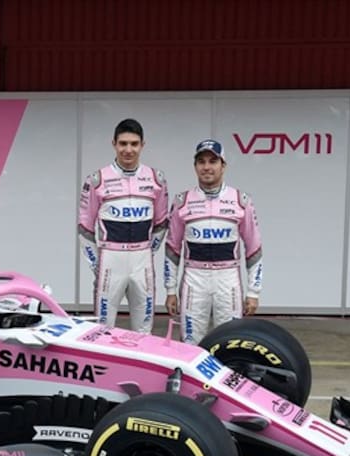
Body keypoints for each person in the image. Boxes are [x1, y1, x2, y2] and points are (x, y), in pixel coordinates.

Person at [164, 138, 263, 344]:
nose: (207, 167)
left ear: (223, 165)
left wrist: (253, 292)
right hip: (194, 279)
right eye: (201, 162)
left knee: (231, 340)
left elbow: (253, 249)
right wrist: (171, 290)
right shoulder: (182, 201)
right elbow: (172, 249)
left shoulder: (240, 201)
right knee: (191, 342)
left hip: (228, 279)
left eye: (213, 161)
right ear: (195, 166)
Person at [77, 118, 169, 333]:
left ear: (142, 145)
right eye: (123, 143)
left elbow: (161, 223)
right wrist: (96, 264)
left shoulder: (156, 179)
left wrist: (148, 251)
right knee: (103, 327)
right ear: (114, 144)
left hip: (142, 259)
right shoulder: (97, 179)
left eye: (134, 144)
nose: (128, 150)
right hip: (110, 258)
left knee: (144, 326)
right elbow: (85, 228)